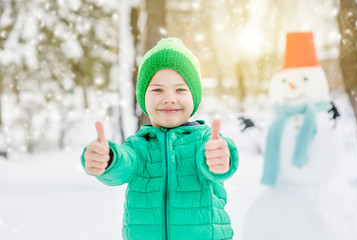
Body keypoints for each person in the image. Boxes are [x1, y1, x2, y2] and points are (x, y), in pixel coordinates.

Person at [81, 37, 239, 240]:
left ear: (195, 97)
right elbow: (123, 164)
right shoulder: (139, 146)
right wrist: (108, 159)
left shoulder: (204, 141)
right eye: (157, 89)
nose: (169, 98)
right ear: (143, 98)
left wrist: (221, 157)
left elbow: (216, 164)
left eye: (180, 89)